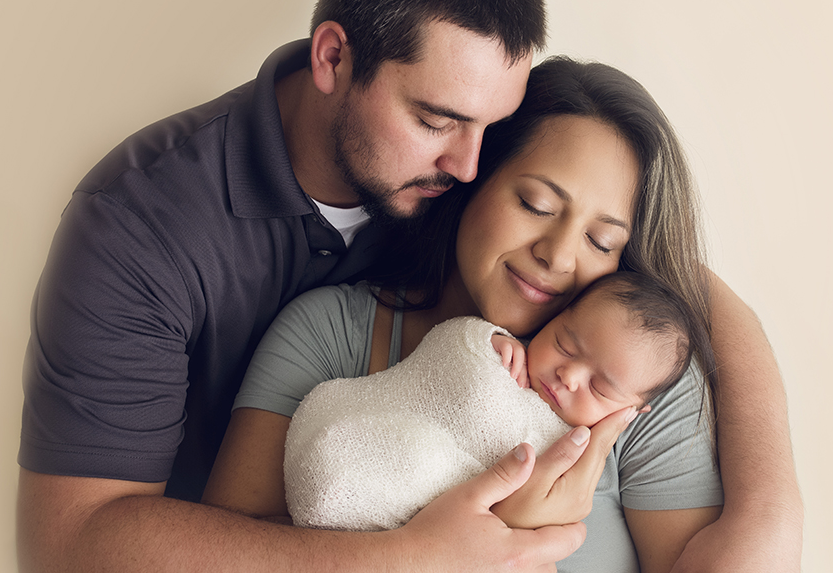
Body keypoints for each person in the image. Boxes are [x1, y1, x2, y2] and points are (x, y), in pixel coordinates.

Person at [16, 0, 594, 571]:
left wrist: (744, 522)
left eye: (492, 127)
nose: (469, 165)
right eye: (437, 120)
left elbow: (637, 247)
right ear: (333, 56)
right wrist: (404, 559)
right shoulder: (137, 224)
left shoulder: (464, 172)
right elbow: (65, 544)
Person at [204, 57, 724, 573]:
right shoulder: (328, 335)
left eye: (600, 240)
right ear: (473, 177)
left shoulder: (640, 375)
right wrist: (431, 551)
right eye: (536, 204)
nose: (559, 257)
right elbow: (219, 554)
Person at [282, 270, 710, 534]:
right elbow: (453, 355)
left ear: (630, 413)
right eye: (564, 343)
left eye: (600, 388)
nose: (569, 375)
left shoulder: (580, 463)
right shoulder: (504, 355)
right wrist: (487, 341)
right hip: (343, 446)